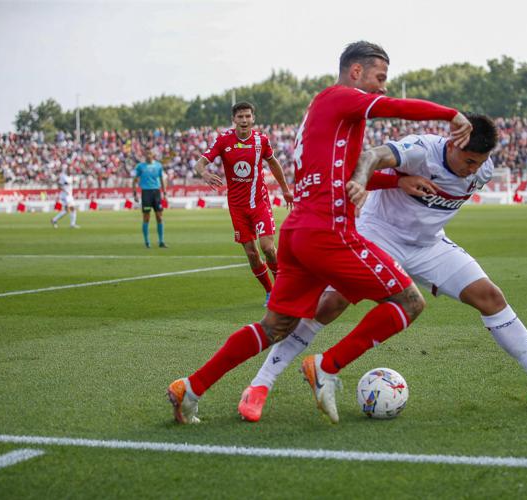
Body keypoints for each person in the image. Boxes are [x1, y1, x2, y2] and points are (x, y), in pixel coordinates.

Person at [167, 40, 473, 425]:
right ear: (356, 71)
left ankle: (189, 388)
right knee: (409, 301)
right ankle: (326, 366)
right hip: (329, 232)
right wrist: (452, 115)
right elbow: (393, 108)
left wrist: (396, 182)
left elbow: (341, 175)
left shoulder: (322, 113)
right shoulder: (340, 97)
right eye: (380, 77)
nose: (382, 87)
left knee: (275, 325)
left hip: (299, 233)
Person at [237, 123, 527, 422]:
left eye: (478, 163)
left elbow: (456, 189)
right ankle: (260, 384)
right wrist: (388, 181)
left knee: (491, 297)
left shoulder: (481, 169)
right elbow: (371, 156)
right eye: (467, 160)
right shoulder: (422, 149)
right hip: (378, 233)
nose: (472, 169)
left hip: (428, 245)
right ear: (452, 144)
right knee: (331, 303)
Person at [192, 101, 294, 304]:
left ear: (253, 118)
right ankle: (270, 291)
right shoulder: (223, 141)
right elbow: (199, 163)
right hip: (237, 207)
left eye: (248, 116)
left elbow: (273, 163)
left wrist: (285, 189)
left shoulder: (261, 141)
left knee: (267, 247)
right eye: (240, 117)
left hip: (259, 203)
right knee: (251, 253)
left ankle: (282, 288)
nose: (244, 120)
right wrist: (204, 173)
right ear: (234, 119)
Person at [133, 150, 167, 248]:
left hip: (156, 192)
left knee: (159, 217)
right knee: (146, 217)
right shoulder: (140, 166)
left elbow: (161, 179)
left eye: (149, 154)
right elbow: (135, 180)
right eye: (146, 154)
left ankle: (161, 241)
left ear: (153, 155)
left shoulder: (158, 166)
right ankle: (147, 242)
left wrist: (164, 192)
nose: (148, 155)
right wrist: (135, 193)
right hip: (146, 193)